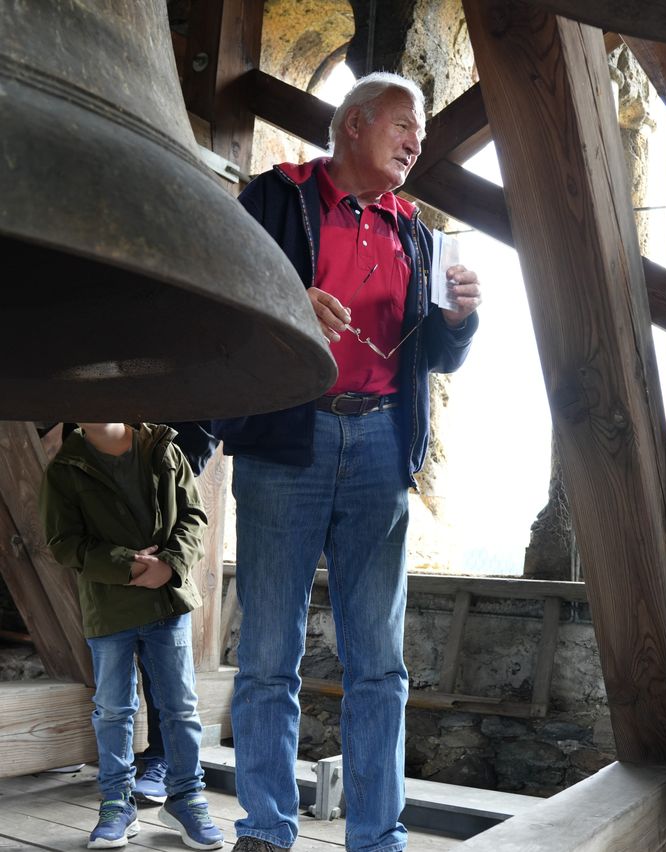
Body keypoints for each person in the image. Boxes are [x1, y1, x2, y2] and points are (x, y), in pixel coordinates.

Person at [211, 71, 481, 852]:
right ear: (356, 123)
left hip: (378, 446)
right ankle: (266, 829)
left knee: (379, 665)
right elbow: (229, 287)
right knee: (266, 656)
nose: (417, 141)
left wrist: (460, 322)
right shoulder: (276, 196)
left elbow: (434, 357)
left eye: (422, 133)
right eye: (406, 124)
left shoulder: (414, 230)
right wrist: (290, 294)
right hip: (288, 438)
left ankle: (377, 836)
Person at [39, 422, 224, 850]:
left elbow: (195, 515)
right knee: (112, 709)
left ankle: (186, 798)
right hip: (108, 608)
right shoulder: (65, 468)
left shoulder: (163, 448)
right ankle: (116, 803)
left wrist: (171, 563)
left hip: (168, 601)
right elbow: (63, 542)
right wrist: (127, 564)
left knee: (180, 706)